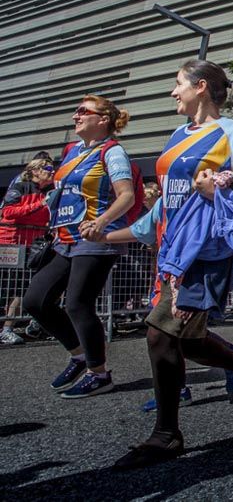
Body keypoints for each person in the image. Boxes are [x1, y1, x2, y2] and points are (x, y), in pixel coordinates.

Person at [96, 60, 233, 468]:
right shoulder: (177, 135)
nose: (173, 92)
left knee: (159, 334)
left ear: (201, 87)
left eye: (178, 84)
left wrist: (219, 188)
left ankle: (167, 434)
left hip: (207, 252)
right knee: (187, 340)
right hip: (174, 250)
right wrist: (111, 232)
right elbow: (166, 207)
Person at [23, 96, 136, 397]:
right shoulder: (72, 151)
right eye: (76, 111)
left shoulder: (113, 152)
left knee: (76, 303)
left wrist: (102, 222)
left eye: (84, 111)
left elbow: (127, 196)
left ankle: (99, 374)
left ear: (104, 120)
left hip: (96, 239)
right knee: (35, 300)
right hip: (66, 240)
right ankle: (79, 355)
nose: (76, 116)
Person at [0, 157, 55, 344]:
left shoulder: (46, 192)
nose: (52, 171)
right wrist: (39, 205)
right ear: (35, 170)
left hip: (31, 246)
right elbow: (8, 212)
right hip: (10, 244)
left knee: (21, 287)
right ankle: (7, 328)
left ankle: (10, 328)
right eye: (48, 168)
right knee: (9, 288)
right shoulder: (21, 187)